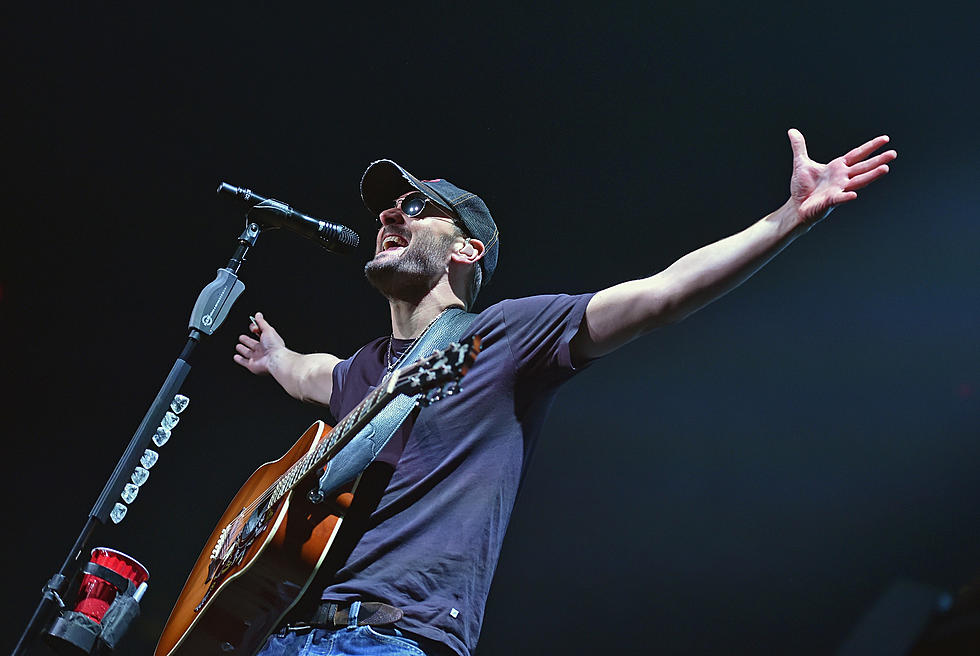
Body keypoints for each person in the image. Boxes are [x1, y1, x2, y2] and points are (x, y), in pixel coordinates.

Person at [233, 129, 896, 656]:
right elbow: (307, 372)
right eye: (385, 209)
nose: (387, 215)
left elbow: (659, 295)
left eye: (414, 207)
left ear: (466, 249)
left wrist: (786, 218)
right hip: (286, 631)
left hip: (392, 638)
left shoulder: (505, 335)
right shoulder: (362, 371)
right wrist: (278, 356)